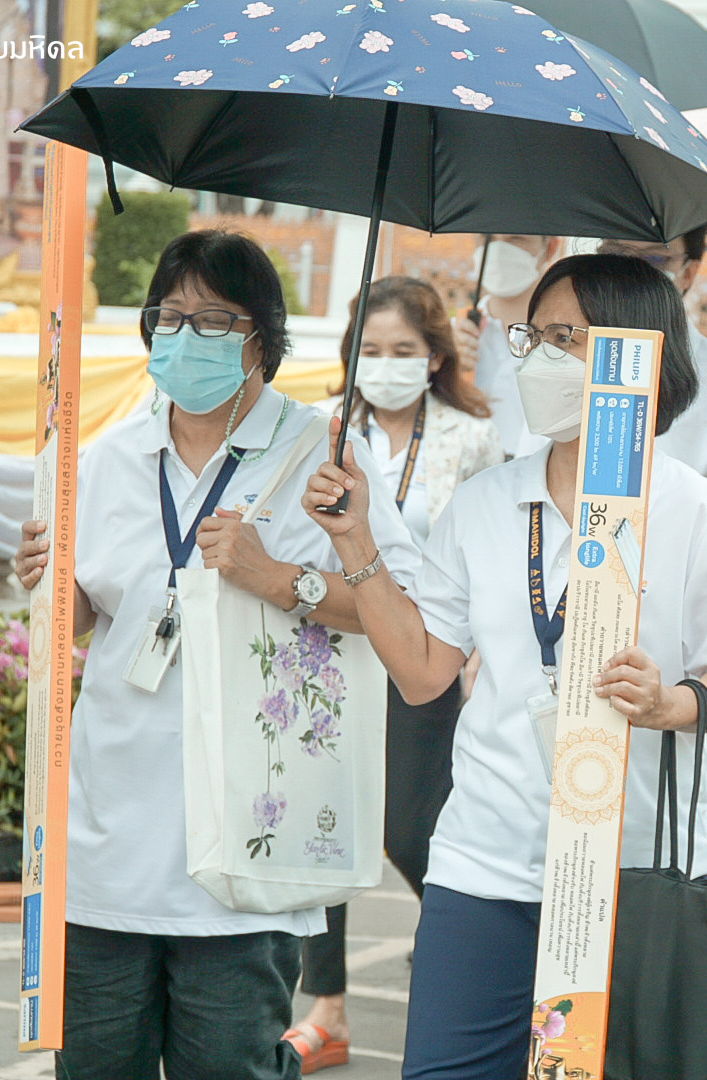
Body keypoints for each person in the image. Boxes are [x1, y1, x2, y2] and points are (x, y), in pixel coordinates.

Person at [300, 254, 707, 1079]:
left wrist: (669, 702)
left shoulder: (696, 509)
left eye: (568, 339)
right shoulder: (486, 503)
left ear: (638, 355)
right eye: (535, 338)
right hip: (484, 863)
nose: (542, 359)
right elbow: (422, 673)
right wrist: (356, 542)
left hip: (628, 871)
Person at [12, 230, 421, 1080]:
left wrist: (275, 578)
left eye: (211, 320)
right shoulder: (104, 459)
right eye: (169, 317)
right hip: (107, 839)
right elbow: (93, 615)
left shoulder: (323, 457)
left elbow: (399, 622)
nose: (184, 336)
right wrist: (50, 583)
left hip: (250, 843)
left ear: (261, 339)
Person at [285, 277, 503, 1073]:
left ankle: (482, 947)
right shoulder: (323, 432)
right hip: (331, 649)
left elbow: (493, 555)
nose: (386, 364)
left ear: (435, 356)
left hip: (426, 656)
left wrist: (481, 651)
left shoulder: (473, 438)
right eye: (371, 350)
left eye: (403, 350)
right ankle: (326, 1006)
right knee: (324, 820)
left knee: (412, 827)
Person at [598, 229, 707, 538]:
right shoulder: (571, 354)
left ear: (688, 273)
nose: (632, 270)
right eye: (616, 254)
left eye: (654, 259)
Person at [453, 234, 563, 459]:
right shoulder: (454, 335)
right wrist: (445, 369)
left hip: (537, 470)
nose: (499, 251)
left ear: (550, 247)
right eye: (487, 239)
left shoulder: (566, 340)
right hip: (468, 468)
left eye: (516, 240)